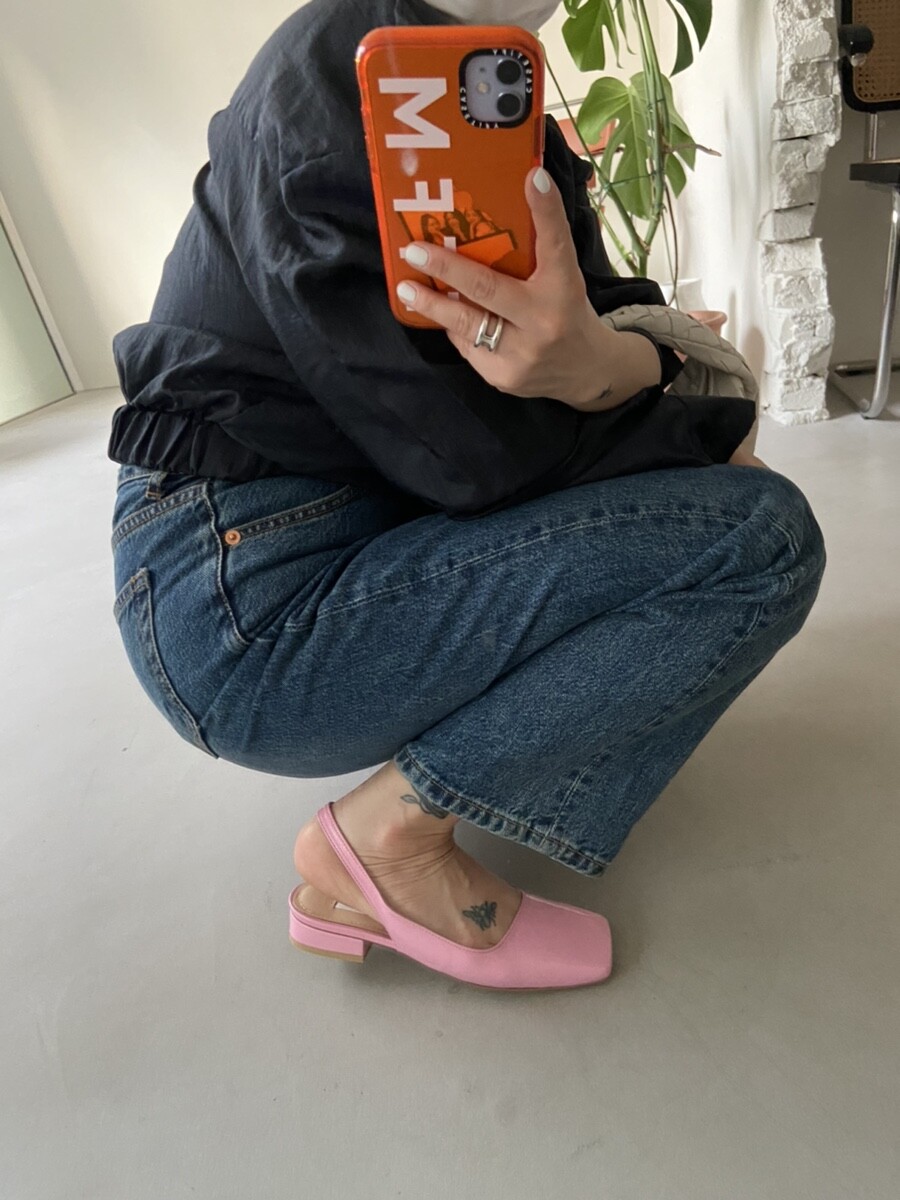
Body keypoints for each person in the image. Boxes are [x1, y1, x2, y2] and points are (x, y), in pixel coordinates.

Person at [108, 0, 825, 991]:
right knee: (760, 542)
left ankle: (407, 820)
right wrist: (657, 412)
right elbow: (464, 456)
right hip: (244, 603)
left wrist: (604, 368)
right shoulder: (335, 65)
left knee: (722, 499)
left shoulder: (499, 95)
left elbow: (614, 320)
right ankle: (388, 843)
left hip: (309, 538)